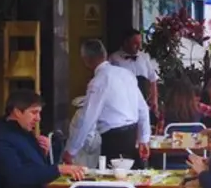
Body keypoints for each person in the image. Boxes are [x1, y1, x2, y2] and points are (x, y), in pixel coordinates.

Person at [64, 39, 151, 167]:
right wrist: (144, 139)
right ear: (105, 55)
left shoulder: (99, 81)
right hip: (131, 136)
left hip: (113, 139)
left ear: (86, 60)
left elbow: (88, 118)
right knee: (130, 181)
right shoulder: (126, 74)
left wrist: (71, 150)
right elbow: (143, 108)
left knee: (111, 182)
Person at [110, 28, 159, 112]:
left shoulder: (144, 57)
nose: (139, 47)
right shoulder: (114, 59)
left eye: (140, 43)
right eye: (135, 43)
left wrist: (154, 99)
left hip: (144, 102)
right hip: (124, 103)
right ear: (126, 42)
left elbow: (153, 79)